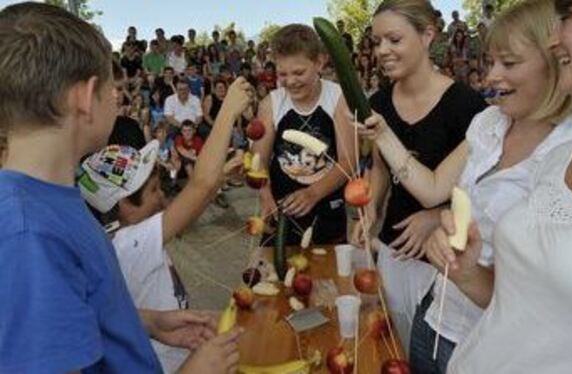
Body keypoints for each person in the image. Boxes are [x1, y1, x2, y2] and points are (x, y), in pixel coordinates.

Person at [425, 0, 572, 370]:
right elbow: (525, 308)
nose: (554, 40)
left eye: (568, 15)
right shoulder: (564, 158)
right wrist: (470, 272)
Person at [0, 3, 241, 373]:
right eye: (114, 88)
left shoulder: (49, 202)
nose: (119, 97)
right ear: (85, 96)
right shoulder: (28, 235)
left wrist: (145, 322)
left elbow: (75, 304)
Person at [357, 0, 572, 371]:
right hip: (435, 317)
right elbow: (434, 189)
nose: (491, 77)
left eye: (509, 63)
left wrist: (442, 223)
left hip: (491, 342)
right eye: (490, 63)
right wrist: (384, 136)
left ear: (557, 62)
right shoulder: (488, 123)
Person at [80, 77, 251, 373]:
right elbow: (199, 186)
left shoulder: (120, 236)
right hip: (172, 364)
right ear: (124, 205)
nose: (162, 198)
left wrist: (220, 175)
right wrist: (228, 113)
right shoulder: (130, 243)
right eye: (153, 191)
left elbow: (196, 197)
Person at [351, 0, 488, 352]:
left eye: (394, 40)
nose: (382, 51)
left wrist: (434, 217)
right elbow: (382, 166)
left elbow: (485, 186)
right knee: (395, 344)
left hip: (447, 260)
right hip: (395, 248)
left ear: (427, 35)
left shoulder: (466, 105)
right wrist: (370, 210)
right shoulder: (379, 102)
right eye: (377, 42)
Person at [253, 24, 355, 246]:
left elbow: (349, 161)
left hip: (327, 207)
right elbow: (258, 160)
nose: (290, 81)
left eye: (299, 72)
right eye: (282, 74)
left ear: (319, 62)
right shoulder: (271, 104)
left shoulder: (338, 98)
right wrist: (265, 196)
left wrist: (313, 193)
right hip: (281, 207)